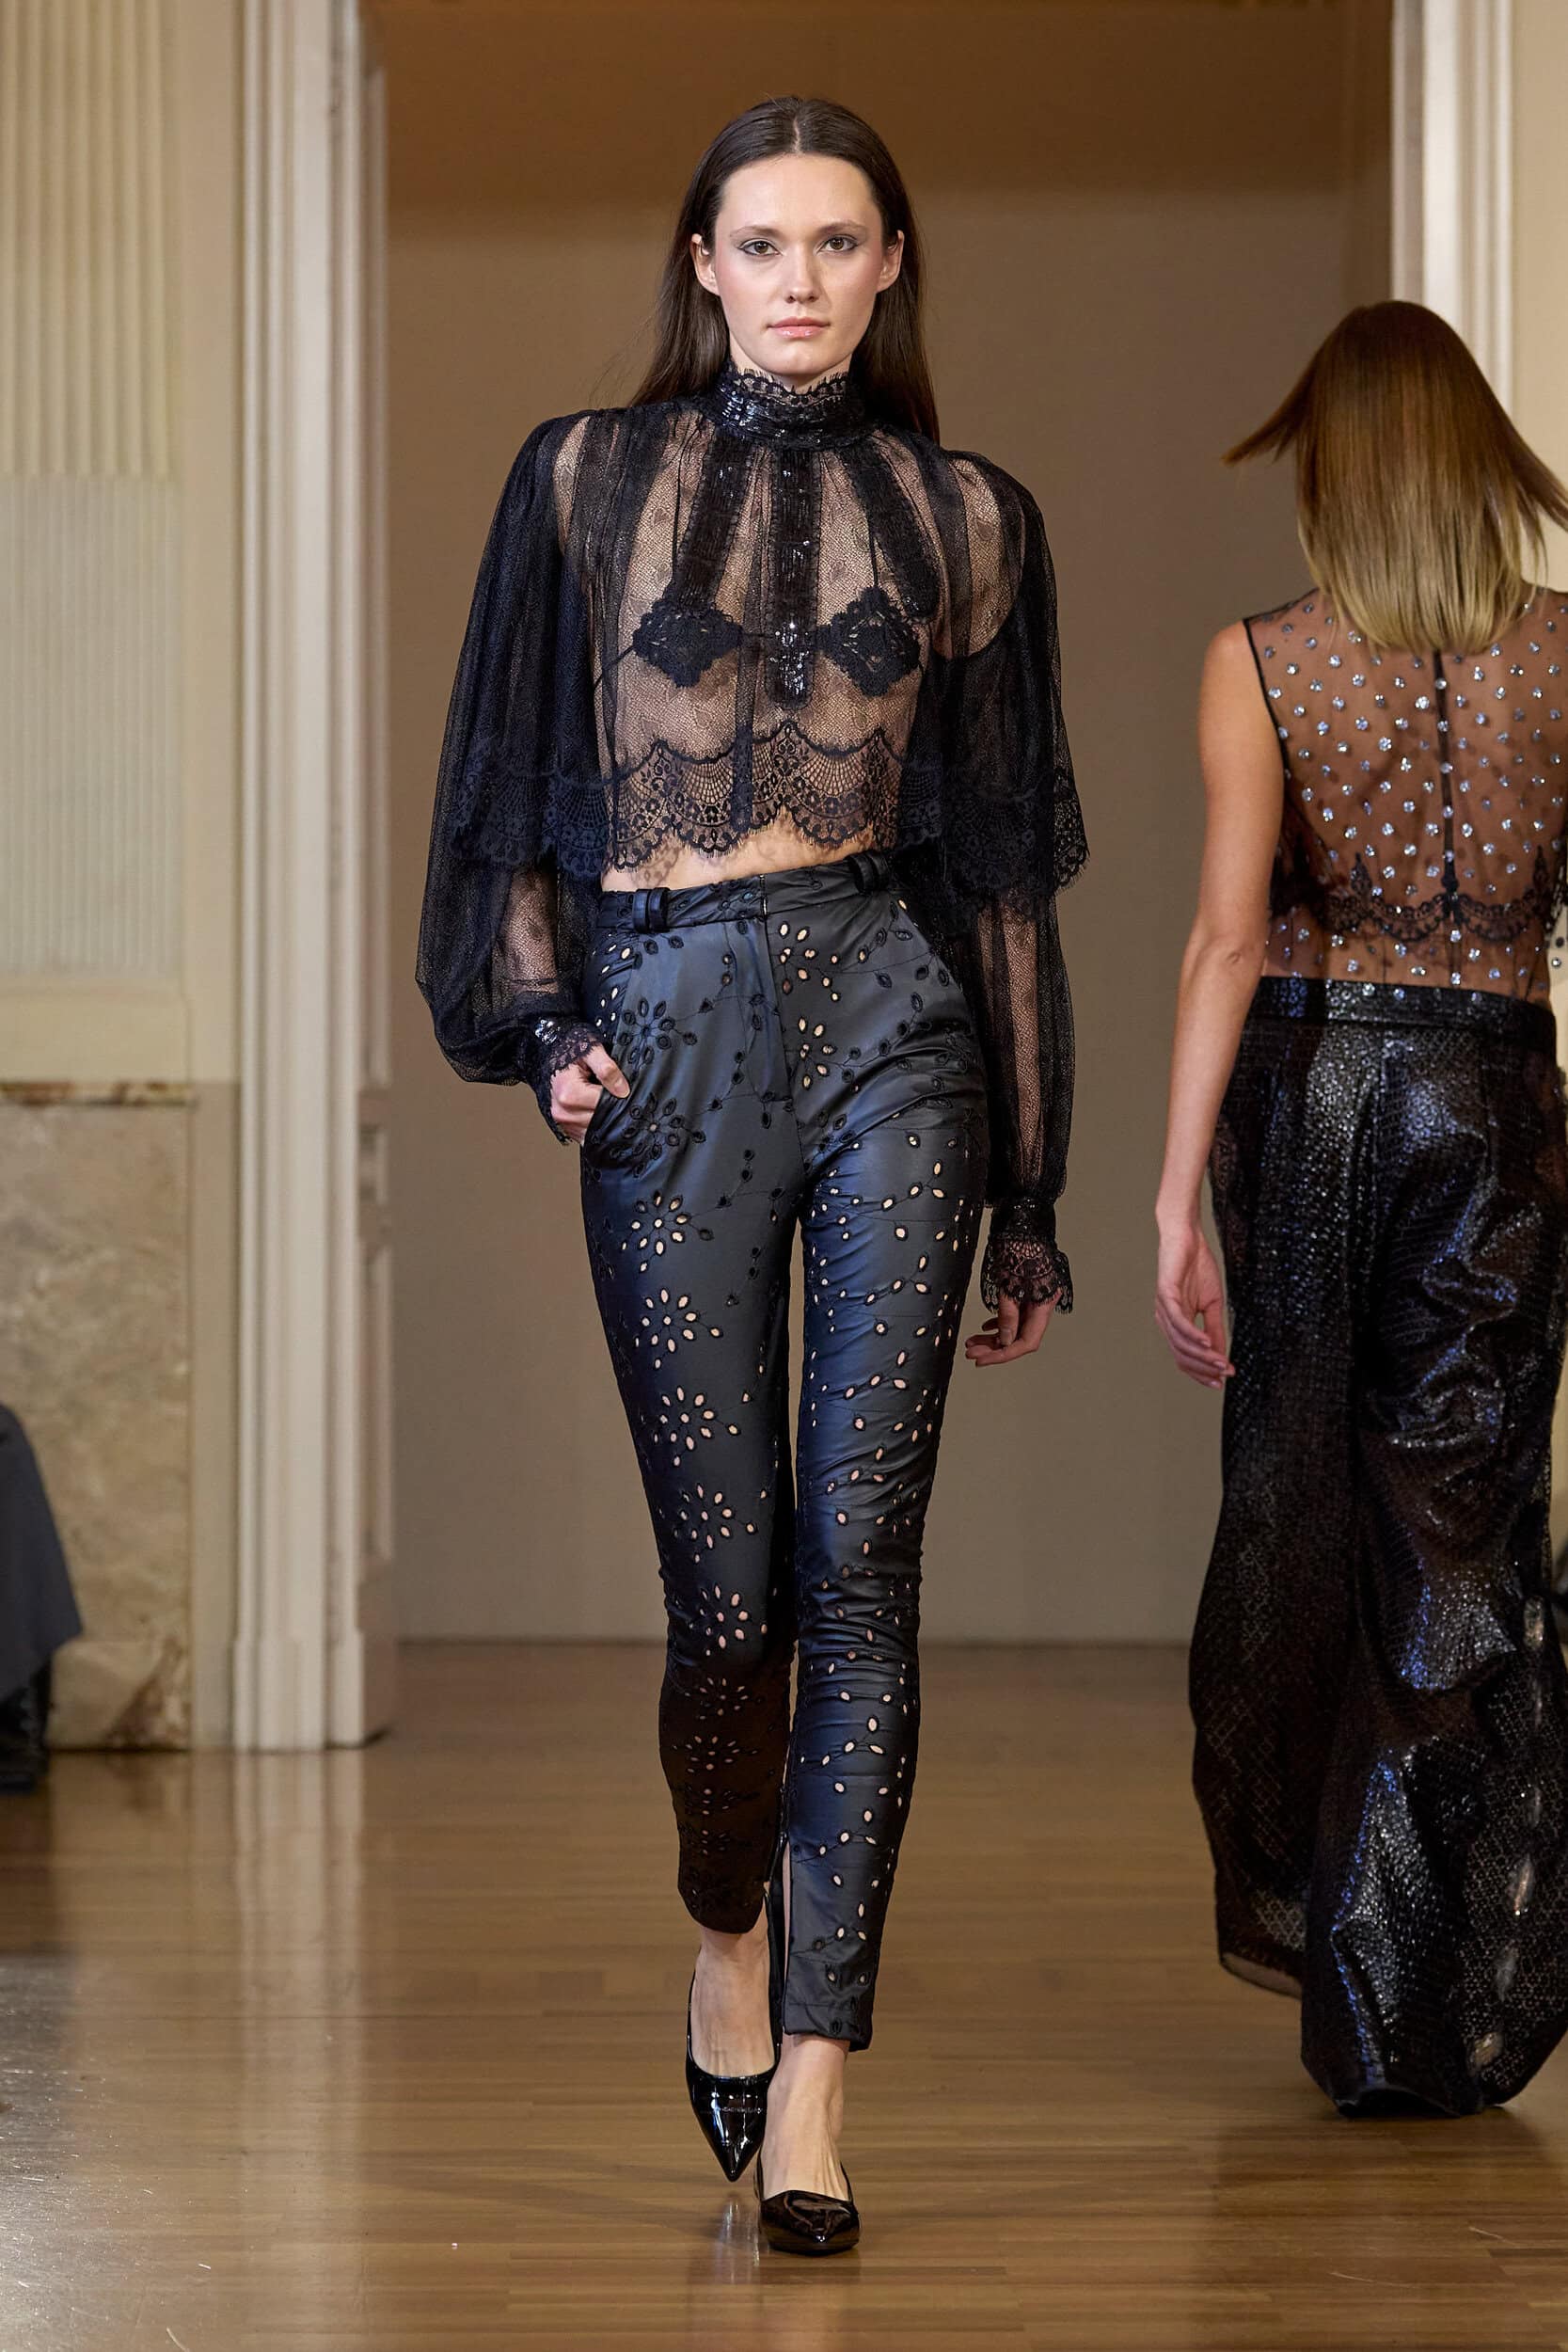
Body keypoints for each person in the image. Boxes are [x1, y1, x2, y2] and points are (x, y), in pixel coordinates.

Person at [418, 96, 1085, 2247]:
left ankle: (815, 2084)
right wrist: (547, 1024)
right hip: (673, 1027)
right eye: (762, 240)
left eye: (838, 241)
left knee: (862, 1570)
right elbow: (512, 789)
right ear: (701, 262)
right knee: (731, 1598)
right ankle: (729, 1914)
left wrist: (1035, 1184)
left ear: (893, 267)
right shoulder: (580, 478)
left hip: (897, 1029)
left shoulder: (973, 518)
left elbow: (1000, 881)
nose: (800, 277)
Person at [1156, 298, 1568, 2116]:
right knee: (1458, 1541)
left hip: (1321, 1110)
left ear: (1332, 472)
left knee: (1308, 1529)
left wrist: (1174, 1198)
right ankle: (1415, 2003)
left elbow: (1227, 941)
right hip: (1500, 1106)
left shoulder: (1264, 660)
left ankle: (1367, 1981)